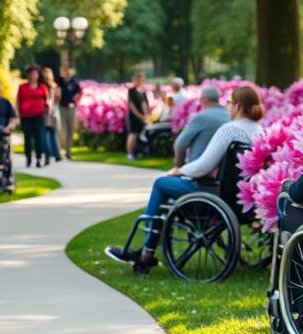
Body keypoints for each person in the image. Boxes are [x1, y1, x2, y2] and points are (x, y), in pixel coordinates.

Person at [105, 85, 264, 271]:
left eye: (229, 103)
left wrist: (179, 170)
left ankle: (146, 251)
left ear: (237, 106)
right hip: (242, 198)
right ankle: (147, 248)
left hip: (213, 193)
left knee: (161, 183)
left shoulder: (229, 130)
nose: (227, 107)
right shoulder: (259, 130)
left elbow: (204, 165)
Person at [173, 85, 228, 166]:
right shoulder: (229, 116)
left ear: (204, 99)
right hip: (223, 168)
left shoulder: (200, 117)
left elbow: (180, 144)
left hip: (199, 168)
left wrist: (179, 165)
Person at [17, 65, 50, 167]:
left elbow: (47, 101)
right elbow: (18, 101)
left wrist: (47, 113)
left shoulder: (42, 87)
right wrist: (17, 115)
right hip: (26, 115)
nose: (33, 76)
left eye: (35, 74)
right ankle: (28, 158)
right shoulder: (22, 87)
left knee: (38, 137)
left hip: (38, 115)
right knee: (27, 138)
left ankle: (39, 158)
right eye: (31, 74)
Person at [57, 64, 82, 160]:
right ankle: (59, 149)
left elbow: (80, 93)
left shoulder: (75, 83)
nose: (67, 72)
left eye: (69, 70)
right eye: (65, 70)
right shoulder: (60, 81)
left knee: (70, 129)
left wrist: (76, 99)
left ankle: (68, 152)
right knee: (61, 129)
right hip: (61, 107)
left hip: (71, 107)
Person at [126, 72, 150, 160]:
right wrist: (140, 116)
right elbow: (131, 106)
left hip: (143, 116)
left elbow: (145, 104)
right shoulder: (131, 91)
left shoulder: (143, 92)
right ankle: (130, 153)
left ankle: (138, 151)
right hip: (134, 116)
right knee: (133, 134)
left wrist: (147, 115)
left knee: (140, 134)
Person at [41, 66, 62, 163]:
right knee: (53, 134)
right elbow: (58, 99)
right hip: (53, 112)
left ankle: (48, 154)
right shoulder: (55, 86)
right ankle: (56, 154)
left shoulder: (44, 87)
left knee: (47, 134)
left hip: (47, 112)